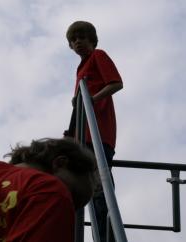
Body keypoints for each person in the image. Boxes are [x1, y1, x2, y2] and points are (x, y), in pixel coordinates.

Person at [64, 20, 123, 242]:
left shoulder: (98, 56)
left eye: (82, 37)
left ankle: (108, 237)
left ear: (92, 39)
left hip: (98, 133)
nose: (77, 42)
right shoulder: (81, 68)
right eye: (73, 39)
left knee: (100, 188)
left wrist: (91, 99)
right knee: (83, 188)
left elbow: (116, 83)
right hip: (82, 135)